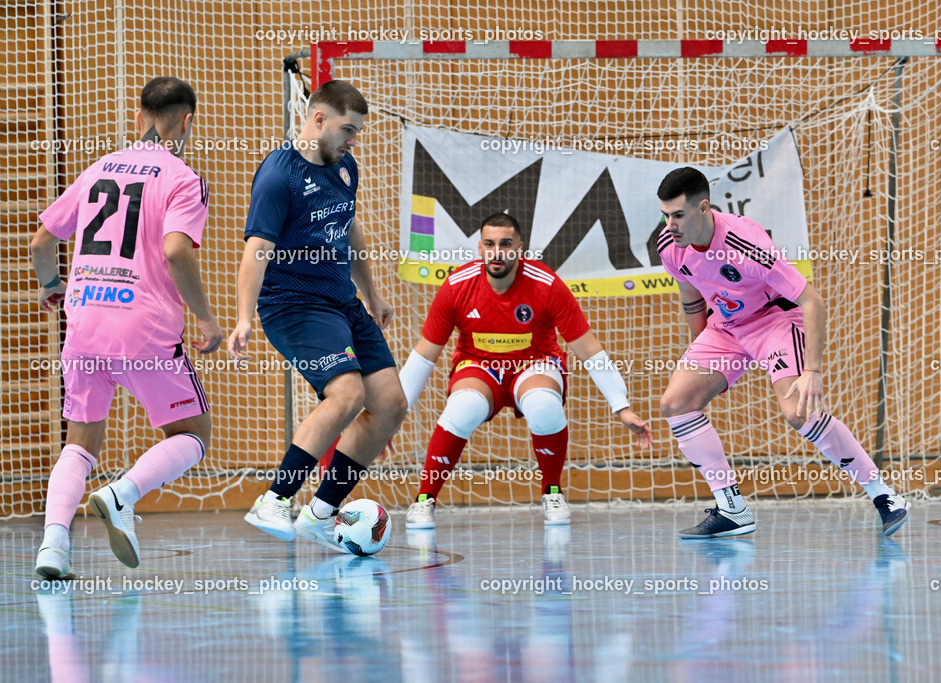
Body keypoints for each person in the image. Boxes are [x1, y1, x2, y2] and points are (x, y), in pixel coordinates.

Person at [30, 77, 222, 578]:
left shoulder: (97, 170)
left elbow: (40, 243)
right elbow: (177, 250)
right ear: (186, 122)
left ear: (139, 119)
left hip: (85, 321)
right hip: (144, 325)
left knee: (79, 444)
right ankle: (123, 494)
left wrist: (52, 285)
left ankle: (53, 547)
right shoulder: (182, 177)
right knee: (193, 433)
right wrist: (204, 316)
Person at [655, 167, 909, 538]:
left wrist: (813, 371)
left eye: (678, 215)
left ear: (704, 208)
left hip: (773, 320)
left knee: (797, 412)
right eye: (665, 215)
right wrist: (699, 351)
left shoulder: (746, 244)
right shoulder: (668, 246)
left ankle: (884, 495)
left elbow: (812, 301)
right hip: (725, 327)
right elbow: (691, 295)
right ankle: (732, 509)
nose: (670, 224)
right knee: (675, 404)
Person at [228, 80, 406, 550]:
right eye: (348, 129)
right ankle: (274, 499)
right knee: (346, 393)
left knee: (389, 404)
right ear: (318, 119)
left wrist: (373, 295)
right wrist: (244, 317)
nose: (354, 140)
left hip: (342, 301)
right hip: (294, 304)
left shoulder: (344, 167)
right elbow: (256, 251)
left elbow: (349, 230)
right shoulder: (277, 176)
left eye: (359, 131)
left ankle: (321, 512)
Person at [400, 212, 652, 529]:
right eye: (489, 244)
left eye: (506, 244)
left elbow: (588, 349)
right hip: (479, 366)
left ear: (520, 247)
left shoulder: (547, 285)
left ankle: (552, 492)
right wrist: (394, 417)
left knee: (544, 405)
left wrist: (622, 407)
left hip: (535, 363)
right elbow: (424, 356)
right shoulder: (457, 286)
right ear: (480, 248)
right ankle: (425, 499)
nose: (497, 252)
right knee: (462, 408)